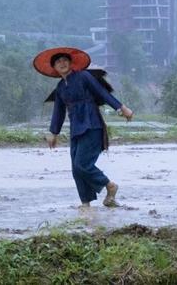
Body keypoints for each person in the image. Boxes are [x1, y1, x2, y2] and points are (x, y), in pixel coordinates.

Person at [33, 47, 134, 209]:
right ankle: (85, 204)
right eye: (58, 62)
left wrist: (121, 108)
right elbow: (58, 112)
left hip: (92, 124)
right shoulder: (60, 88)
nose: (62, 63)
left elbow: (102, 93)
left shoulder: (83, 76)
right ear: (54, 68)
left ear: (71, 63)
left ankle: (109, 186)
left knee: (82, 164)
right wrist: (53, 133)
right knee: (76, 168)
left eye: (65, 60)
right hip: (76, 129)